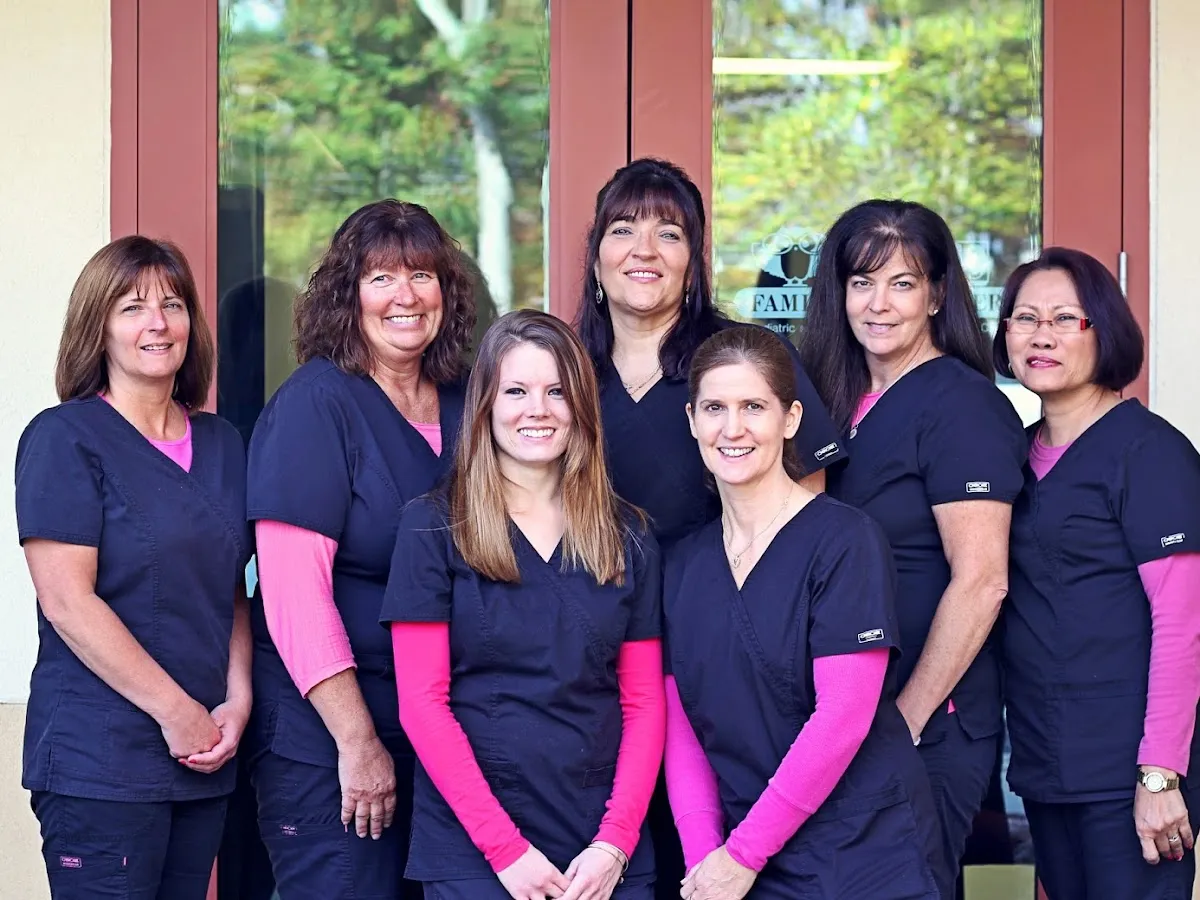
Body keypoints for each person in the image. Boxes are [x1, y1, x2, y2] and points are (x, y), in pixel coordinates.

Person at [575, 158, 847, 896]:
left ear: (694, 257)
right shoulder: (564, 374)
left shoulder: (742, 363)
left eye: (669, 233)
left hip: (723, 679)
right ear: (595, 255)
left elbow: (799, 519)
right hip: (592, 676)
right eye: (623, 230)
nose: (644, 250)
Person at [383, 309, 664, 899]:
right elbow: (422, 705)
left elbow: (643, 702)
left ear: (580, 406)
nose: (537, 409)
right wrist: (504, 850)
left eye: (556, 392)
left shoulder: (629, 536)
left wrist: (615, 843)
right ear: (485, 404)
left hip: (601, 847)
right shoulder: (432, 528)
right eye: (516, 391)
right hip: (476, 847)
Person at [244, 200, 476, 899]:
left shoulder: (467, 400)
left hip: (440, 735)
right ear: (348, 296)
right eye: (381, 278)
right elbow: (293, 598)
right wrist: (357, 741)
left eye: (422, 275)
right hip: (332, 741)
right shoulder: (316, 405)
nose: (405, 295)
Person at [663, 324, 942, 899]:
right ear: (691, 421)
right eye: (714, 408)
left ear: (790, 419)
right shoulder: (682, 565)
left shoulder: (845, 541)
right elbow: (684, 726)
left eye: (754, 407)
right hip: (744, 861)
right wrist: (704, 861)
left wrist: (742, 855)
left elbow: (842, 717)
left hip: (862, 853)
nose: (732, 428)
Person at [799, 199, 1027, 897]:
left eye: (902, 283)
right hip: (844, 720)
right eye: (862, 282)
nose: (879, 304)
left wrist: (906, 720)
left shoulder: (962, 405)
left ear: (935, 295)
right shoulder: (835, 400)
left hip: (925, 724)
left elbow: (982, 581)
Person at [14, 236, 253, 899]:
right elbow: (68, 602)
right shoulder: (64, 438)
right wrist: (178, 713)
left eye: (172, 305)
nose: (158, 323)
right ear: (98, 327)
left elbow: (232, 589)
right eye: (132, 307)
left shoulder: (223, 443)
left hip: (206, 758)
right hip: (102, 764)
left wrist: (238, 700)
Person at [994, 247, 1200, 899]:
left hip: (1129, 776)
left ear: (1103, 329)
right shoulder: (1013, 459)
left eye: (1064, 318)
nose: (1041, 336)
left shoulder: (1150, 454)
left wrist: (1160, 775)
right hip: (1045, 767)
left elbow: (1183, 624)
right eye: (1025, 318)